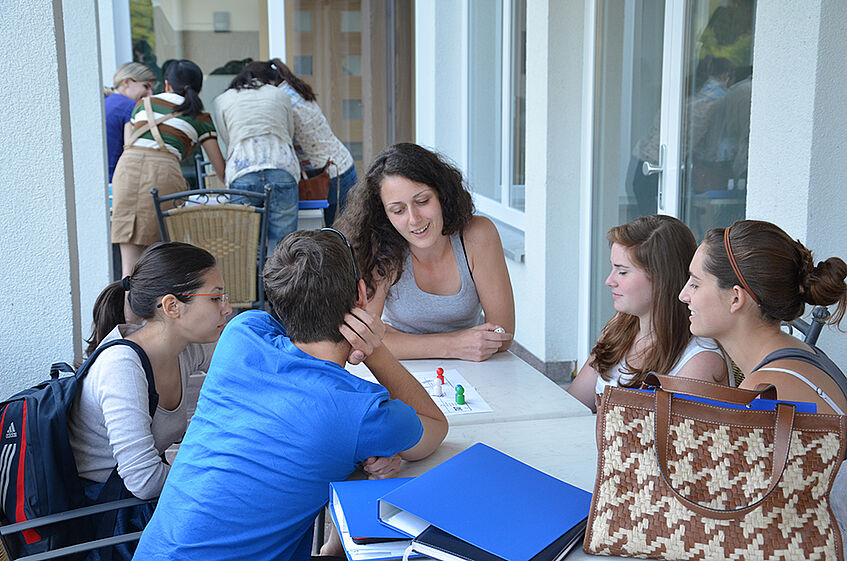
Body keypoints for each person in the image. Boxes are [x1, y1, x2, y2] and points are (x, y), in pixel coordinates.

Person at [133, 229, 448, 560]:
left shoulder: (241, 335)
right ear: (360, 296)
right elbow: (435, 426)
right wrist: (374, 347)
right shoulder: (362, 412)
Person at [678, 219, 847, 549]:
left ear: (736, 298)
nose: (684, 294)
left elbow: (731, 520)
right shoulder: (804, 354)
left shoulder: (765, 393)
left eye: (696, 284)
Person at [67, 242, 230, 560]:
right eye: (215, 298)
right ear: (172, 306)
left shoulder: (182, 350)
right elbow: (143, 481)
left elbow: (242, 359)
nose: (226, 308)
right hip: (102, 522)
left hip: (133, 509)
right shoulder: (123, 366)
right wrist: (215, 475)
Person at [334, 143, 515, 362]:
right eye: (398, 210)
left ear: (442, 194)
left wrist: (395, 339)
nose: (414, 219)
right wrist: (454, 345)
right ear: (384, 215)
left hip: (476, 365)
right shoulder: (378, 247)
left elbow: (502, 335)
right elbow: (361, 338)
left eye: (422, 201)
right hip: (404, 368)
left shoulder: (478, 235)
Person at [568, 215, 729, 412]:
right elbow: (572, 406)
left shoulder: (700, 359)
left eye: (622, 271)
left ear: (662, 279)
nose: (609, 281)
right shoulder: (621, 327)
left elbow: (669, 441)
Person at [111, 59, 225, 282]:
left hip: (127, 170)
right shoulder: (200, 117)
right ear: (199, 88)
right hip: (163, 174)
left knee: (129, 272)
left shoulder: (143, 105)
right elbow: (220, 170)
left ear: (167, 84)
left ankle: (126, 316)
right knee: (157, 266)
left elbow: (130, 140)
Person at [212, 59, 299, 254]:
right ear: (271, 80)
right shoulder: (281, 95)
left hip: (242, 173)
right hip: (282, 169)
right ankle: (277, 285)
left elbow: (228, 140)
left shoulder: (223, 99)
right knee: (283, 247)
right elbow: (289, 134)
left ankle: (250, 285)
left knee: (246, 247)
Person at [276, 59, 358, 225]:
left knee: (331, 237)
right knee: (346, 232)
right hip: (342, 166)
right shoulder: (295, 89)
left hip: (327, 176)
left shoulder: (281, 100)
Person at [103, 62, 156, 182]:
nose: (150, 94)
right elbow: (132, 153)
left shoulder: (105, 102)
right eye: (146, 86)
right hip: (117, 181)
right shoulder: (130, 107)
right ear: (126, 82)